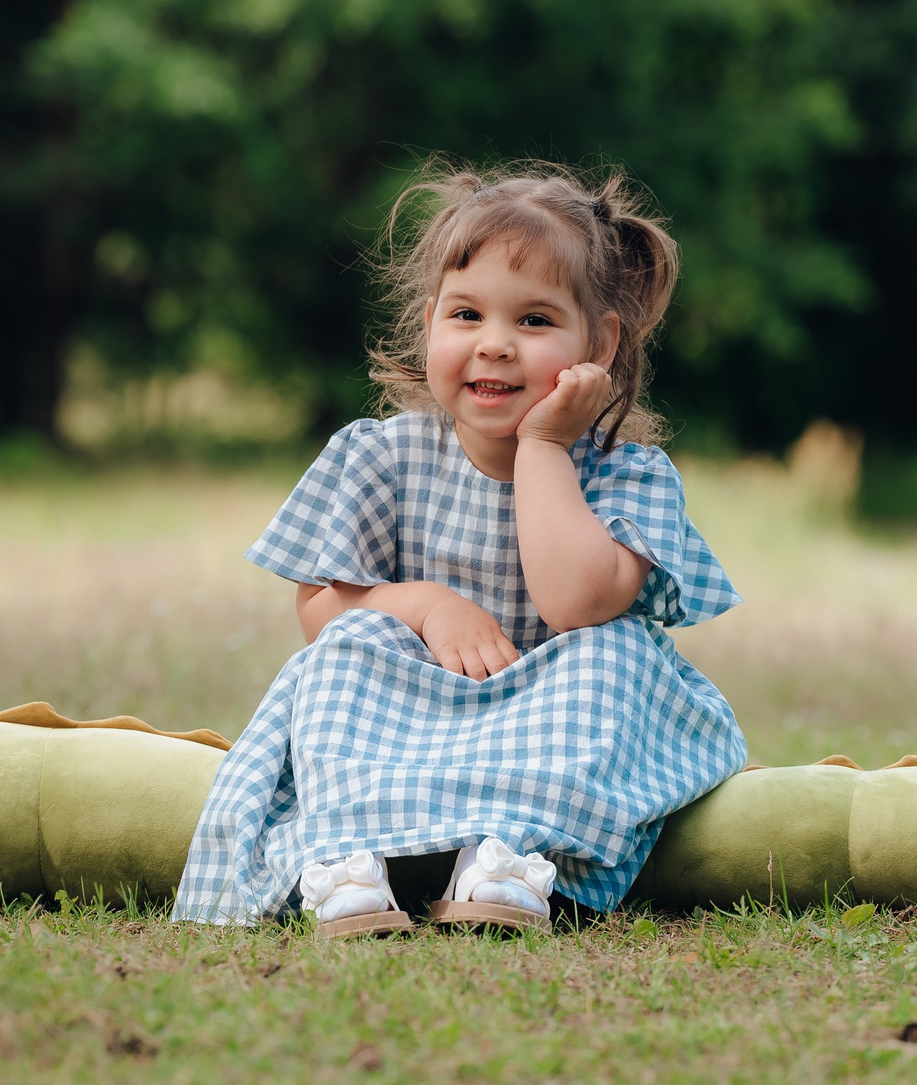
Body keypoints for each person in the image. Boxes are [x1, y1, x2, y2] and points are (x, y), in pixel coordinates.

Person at [170, 166, 748, 935]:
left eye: (535, 320)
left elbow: (576, 605)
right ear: (430, 323)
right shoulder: (384, 455)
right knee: (345, 644)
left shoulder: (626, 475)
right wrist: (425, 604)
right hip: (404, 730)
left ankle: (506, 857)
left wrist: (544, 446)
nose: (495, 344)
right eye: (467, 314)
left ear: (600, 344)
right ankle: (347, 860)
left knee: (618, 651)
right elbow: (318, 610)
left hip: (548, 739)